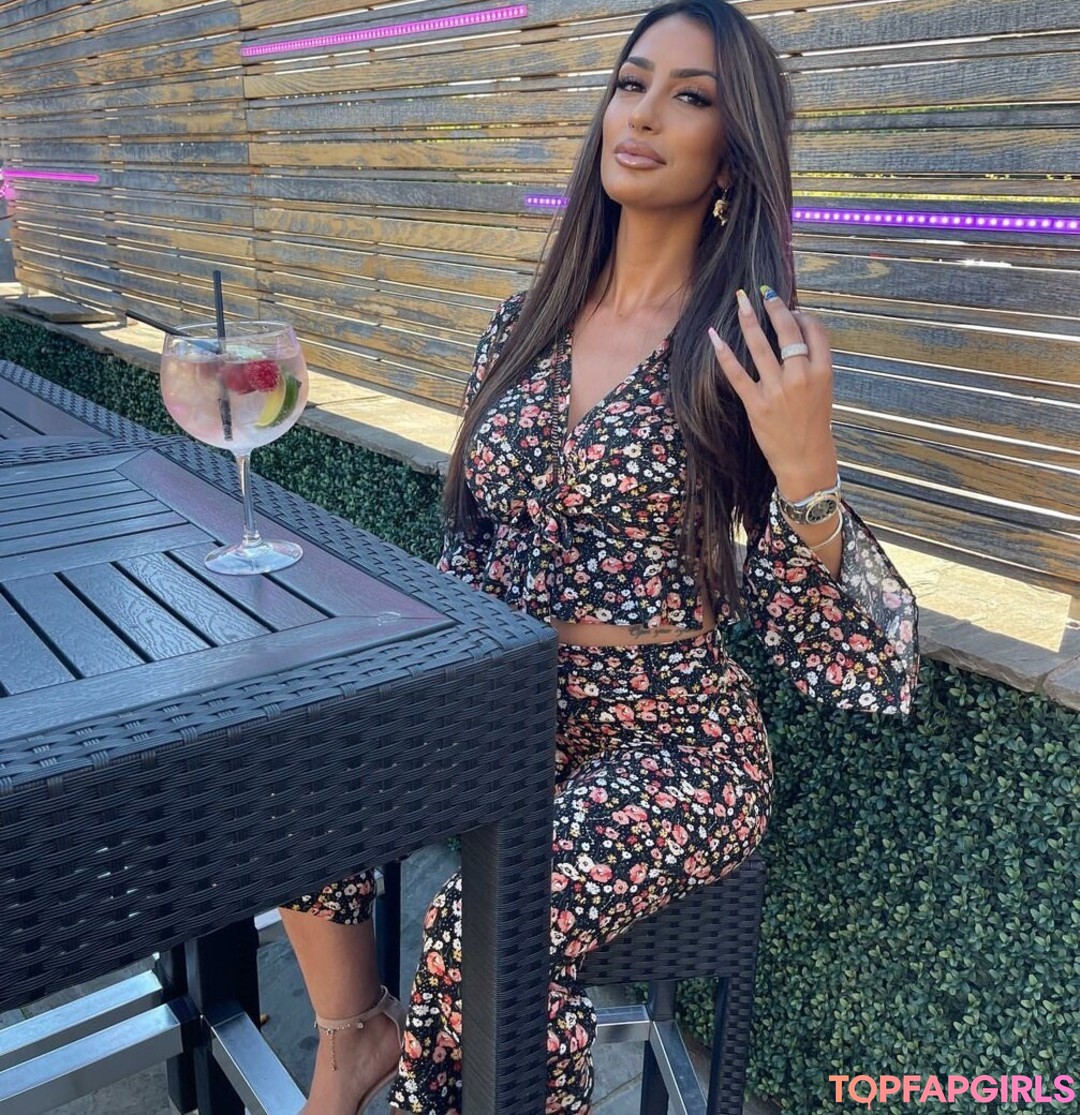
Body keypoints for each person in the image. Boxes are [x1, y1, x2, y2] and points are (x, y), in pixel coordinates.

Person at [280, 1, 919, 1112]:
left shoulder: (747, 347)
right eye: (632, 84)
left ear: (733, 153)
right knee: (293, 762)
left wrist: (811, 478)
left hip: (674, 737)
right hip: (509, 698)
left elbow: (857, 651)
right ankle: (353, 1038)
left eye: (691, 96)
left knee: (491, 919)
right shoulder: (520, 325)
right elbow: (473, 540)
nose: (646, 113)